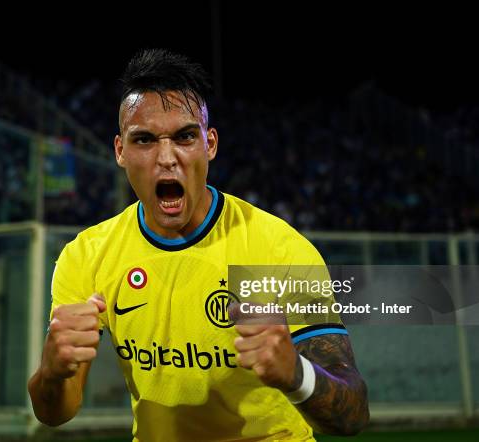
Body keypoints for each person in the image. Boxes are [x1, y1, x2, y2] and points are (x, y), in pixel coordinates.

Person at [28, 49, 369, 441]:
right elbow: (55, 412)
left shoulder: (276, 248)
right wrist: (52, 372)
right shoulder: (88, 256)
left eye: (185, 136)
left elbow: (353, 414)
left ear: (210, 144)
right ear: (120, 151)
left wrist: (297, 373)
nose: (167, 158)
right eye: (145, 140)